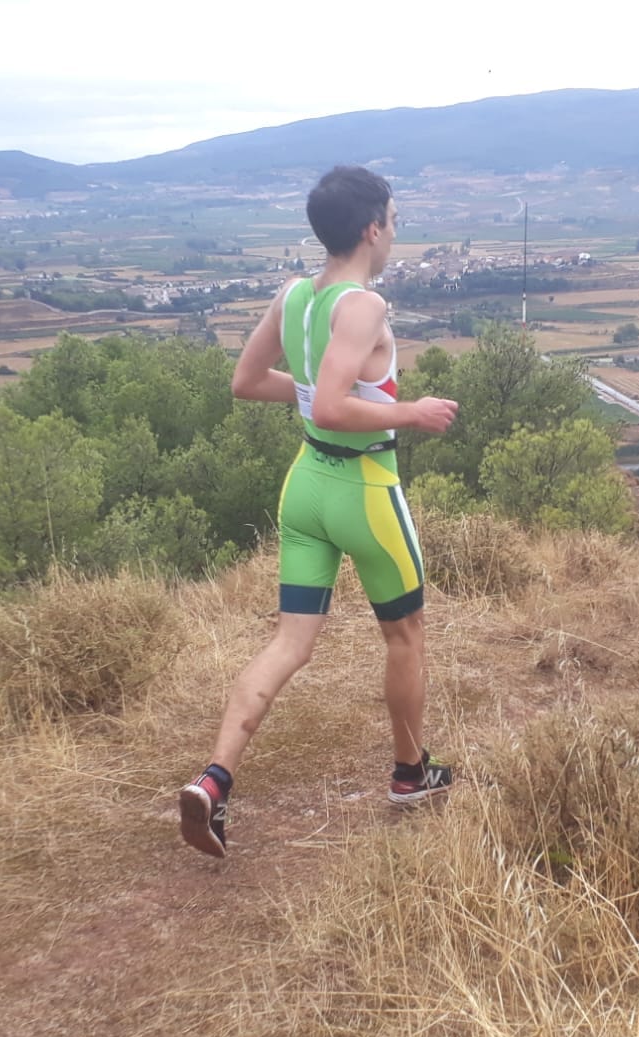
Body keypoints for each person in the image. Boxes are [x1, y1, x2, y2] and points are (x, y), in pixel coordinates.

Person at [177, 165, 461, 859]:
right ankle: (409, 774)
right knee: (407, 636)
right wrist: (411, 412)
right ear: (372, 229)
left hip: (305, 484)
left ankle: (214, 782)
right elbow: (337, 403)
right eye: (393, 220)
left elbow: (247, 382)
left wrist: (311, 393)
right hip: (365, 488)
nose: (396, 233)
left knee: (290, 643)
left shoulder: (295, 295)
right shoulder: (362, 306)